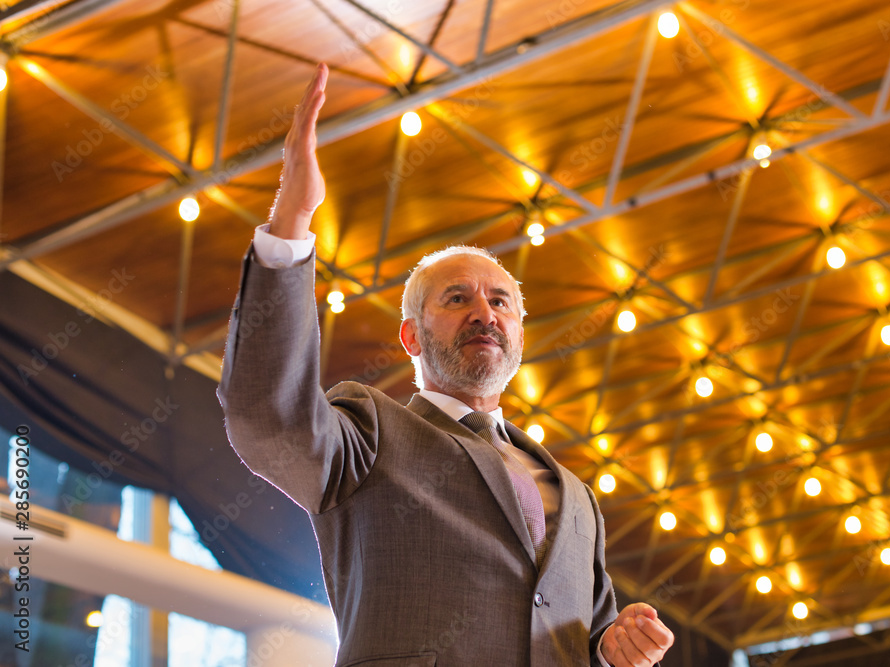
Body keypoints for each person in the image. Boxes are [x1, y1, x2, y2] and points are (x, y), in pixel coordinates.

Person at [218, 63, 674, 667]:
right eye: (457, 299)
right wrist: (290, 225)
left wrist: (616, 649)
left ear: (517, 333)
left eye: (500, 300)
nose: (483, 312)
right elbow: (268, 419)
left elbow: (582, 639)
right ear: (410, 335)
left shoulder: (578, 497)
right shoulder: (368, 436)